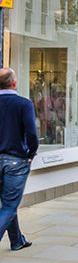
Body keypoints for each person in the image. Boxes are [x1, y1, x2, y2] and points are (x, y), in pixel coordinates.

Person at [0, 68, 38, 251]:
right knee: (9, 205)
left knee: (8, 202)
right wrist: (31, 153)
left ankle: (17, 240)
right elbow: (32, 133)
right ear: (14, 83)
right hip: (15, 160)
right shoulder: (23, 104)